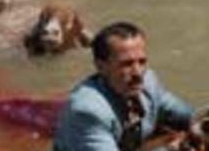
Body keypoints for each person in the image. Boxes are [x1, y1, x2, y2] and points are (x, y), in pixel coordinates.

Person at [53, 21, 194, 151]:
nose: (138, 73)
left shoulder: (148, 80)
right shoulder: (88, 111)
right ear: (101, 67)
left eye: (142, 62)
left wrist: (207, 120)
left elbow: (183, 113)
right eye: (126, 64)